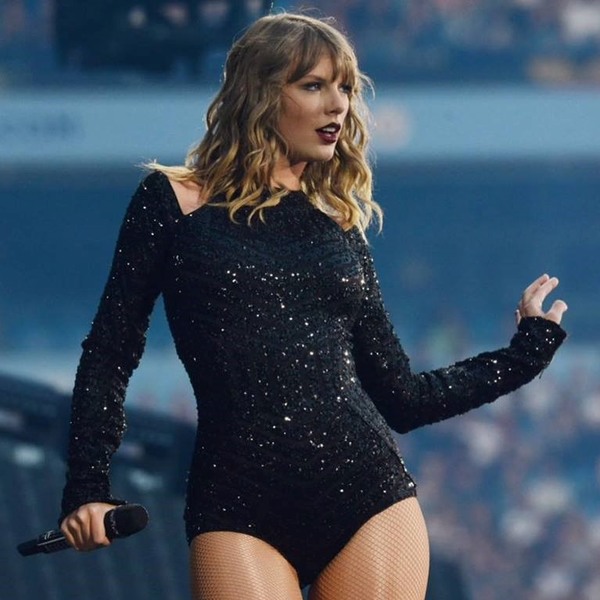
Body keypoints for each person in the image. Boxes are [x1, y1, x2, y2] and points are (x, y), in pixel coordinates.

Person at [58, 12, 568, 600]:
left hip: (368, 497)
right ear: (260, 93)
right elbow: (111, 351)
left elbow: (401, 397)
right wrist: (87, 486)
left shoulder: (339, 227)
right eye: (314, 85)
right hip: (235, 499)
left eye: (345, 88)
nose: (338, 105)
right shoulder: (172, 202)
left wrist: (525, 353)